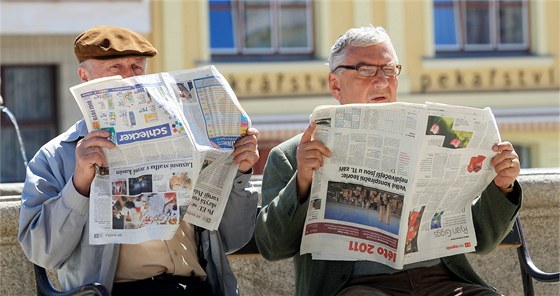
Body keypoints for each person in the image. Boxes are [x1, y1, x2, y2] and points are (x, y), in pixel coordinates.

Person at [255, 25, 522, 296]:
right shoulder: (292, 155)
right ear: (335, 84)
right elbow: (272, 247)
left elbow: (483, 241)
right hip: (359, 289)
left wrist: (502, 185)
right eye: (365, 70)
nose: (382, 82)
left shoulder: (427, 138)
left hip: (443, 283)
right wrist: (303, 180)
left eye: (389, 70)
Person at [18, 25, 260, 296]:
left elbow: (233, 239)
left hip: (195, 287)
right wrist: (79, 185)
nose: (129, 77)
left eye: (136, 67)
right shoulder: (55, 156)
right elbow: (41, 252)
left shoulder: (187, 138)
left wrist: (240, 172)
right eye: (116, 68)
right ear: (84, 77)